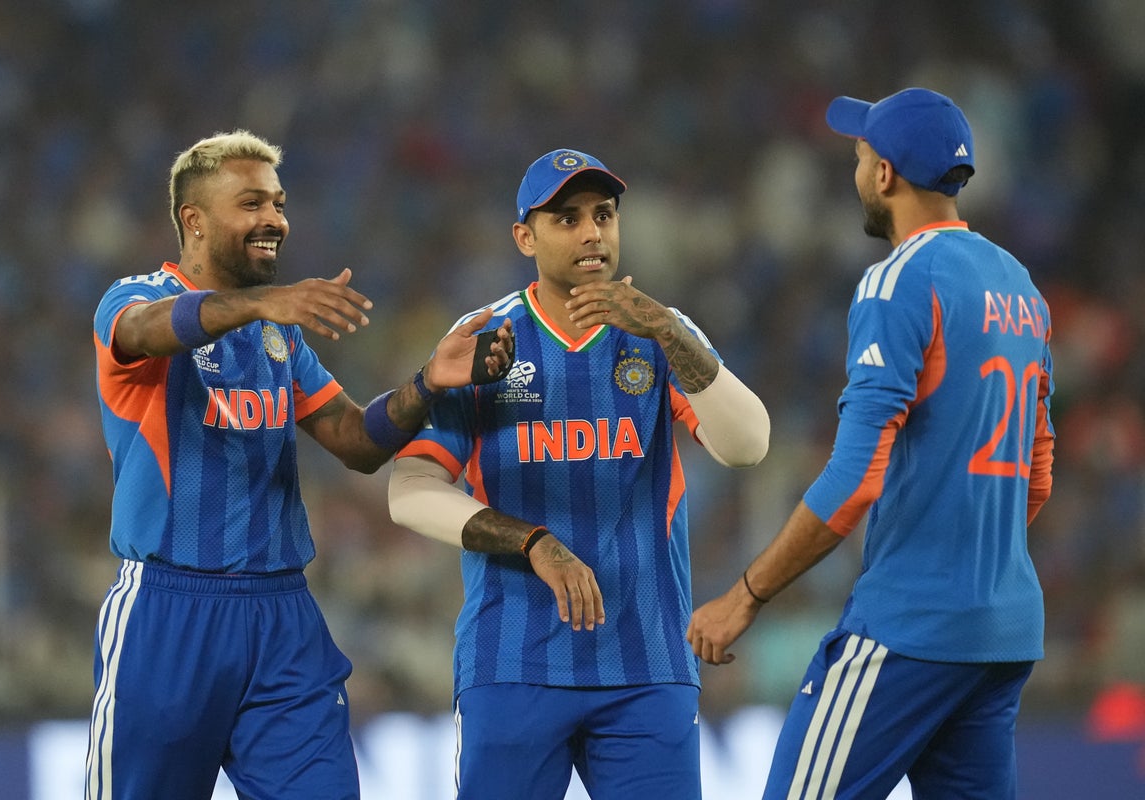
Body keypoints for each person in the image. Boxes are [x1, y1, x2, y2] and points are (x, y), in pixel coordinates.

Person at [85, 129, 512, 800]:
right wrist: (261, 302)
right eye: (251, 203)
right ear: (194, 220)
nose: (274, 220)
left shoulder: (276, 332)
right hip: (167, 615)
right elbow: (142, 331)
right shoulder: (133, 297)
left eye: (278, 204)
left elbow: (355, 439)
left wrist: (428, 382)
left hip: (281, 617)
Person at [687, 88, 1056, 799]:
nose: (856, 170)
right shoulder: (1021, 287)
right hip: (1002, 633)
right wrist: (975, 570)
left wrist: (745, 596)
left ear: (884, 174)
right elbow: (1035, 476)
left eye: (860, 156)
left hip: (910, 628)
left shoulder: (898, 282)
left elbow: (854, 479)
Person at [387, 148, 771, 799]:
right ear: (525, 237)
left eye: (604, 214)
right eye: (568, 218)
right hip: (512, 664)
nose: (592, 232)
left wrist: (670, 334)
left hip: (646, 665)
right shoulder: (485, 336)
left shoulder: (661, 331)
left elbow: (748, 445)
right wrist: (534, 542)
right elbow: (411, 489)